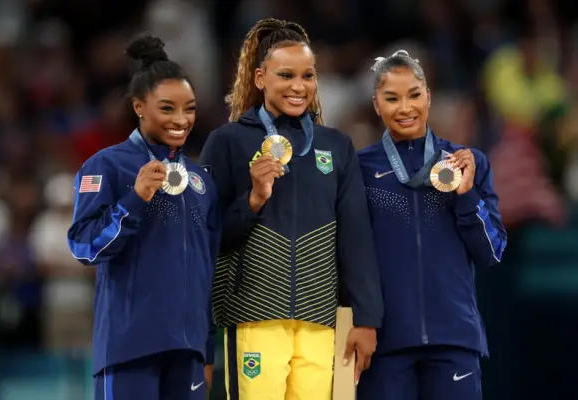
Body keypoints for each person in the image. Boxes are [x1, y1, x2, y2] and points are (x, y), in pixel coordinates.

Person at [199, 17, 383, 400]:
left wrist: (366, 319)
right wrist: (252, 200)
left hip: (320, 320)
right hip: (253, 315)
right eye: (286, 75)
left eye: (308, 76)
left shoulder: (336, 147)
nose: (299, 87)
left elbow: (356, 238)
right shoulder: (227, 142)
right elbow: (206, 237)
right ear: (260, 78)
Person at [67, 34, 220, 400]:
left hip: (189, 352)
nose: (181, 120)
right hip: (129, 347)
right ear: (139, 107)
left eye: (190, 108)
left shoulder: (201, 182)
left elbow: (209, 269)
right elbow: (83, 246)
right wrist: (134, 200)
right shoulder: (108, 165)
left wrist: (208, 349)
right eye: (167, 108)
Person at [355, 50, 508, 400]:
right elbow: (350, 252)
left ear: (429, 96)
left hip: (454, 338)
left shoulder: (466, 163)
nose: (405, 108)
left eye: (414, 95)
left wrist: (466, 195)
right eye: (391, 98)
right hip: (386, 343)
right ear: (376, 105)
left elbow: (492, 252)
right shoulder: (360, 169)